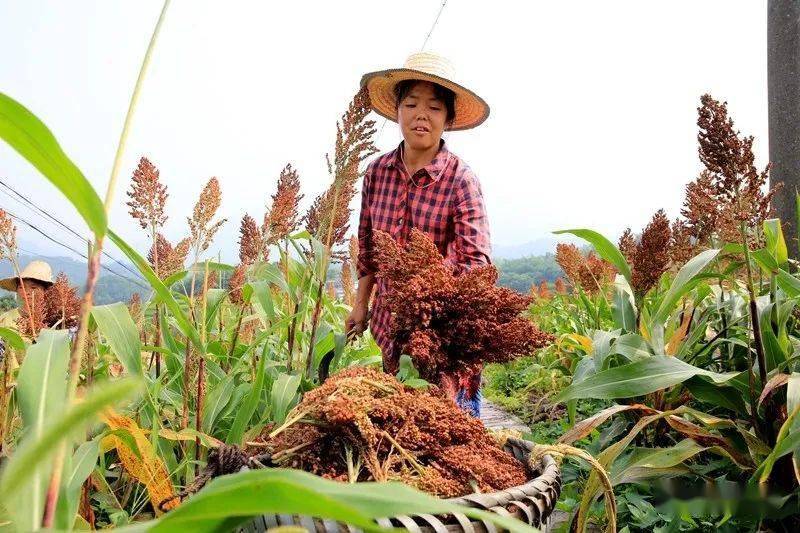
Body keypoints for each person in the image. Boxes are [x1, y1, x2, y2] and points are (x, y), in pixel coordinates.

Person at [347, 52, 492, 417]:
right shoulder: (376, 173)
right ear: (397, 111)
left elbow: (477, 265)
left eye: (434, 107)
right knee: (399, 434)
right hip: (389, 328)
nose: (421, 115)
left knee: (446, 439)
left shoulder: (461, 180)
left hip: (443, 336)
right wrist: (361, 303)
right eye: (411, 104)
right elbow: (367, 246)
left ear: (448, 119)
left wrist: (429, 297)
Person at [0, 259, 54, 329]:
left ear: (46, 291)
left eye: (33, 287)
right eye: (21, 287)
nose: (26, 292)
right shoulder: (5, 319)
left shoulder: (52, 320)